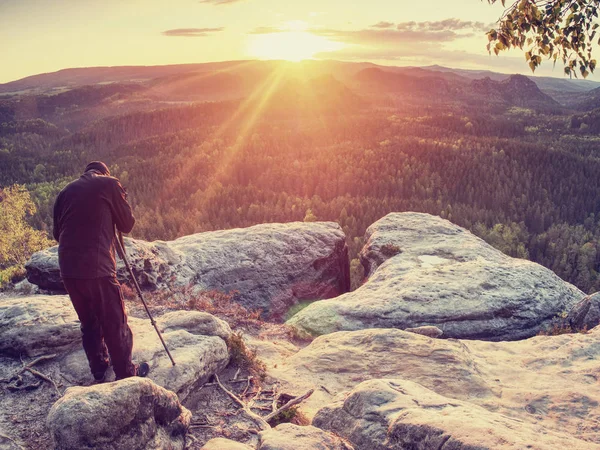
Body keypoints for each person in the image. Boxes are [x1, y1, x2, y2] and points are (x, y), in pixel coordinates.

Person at [53, 161, 148, 382]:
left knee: (88, 321)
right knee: (115, 321)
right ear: (104, 173)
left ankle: (98, 369)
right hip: (98, 268)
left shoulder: (65, 192)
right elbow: (127, 224)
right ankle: (126, 375)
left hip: (68, 270)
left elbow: (58, 234)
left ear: (85, 172)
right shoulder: (110, 184)